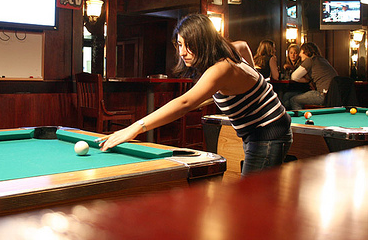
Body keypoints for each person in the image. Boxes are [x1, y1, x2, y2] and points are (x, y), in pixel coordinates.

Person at [99, 14, 292, 176]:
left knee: (252, 201)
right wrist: (256, 78)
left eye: (188, 45)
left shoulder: (221, 68)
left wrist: (134, 128)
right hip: (259, 132)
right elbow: (243, 45)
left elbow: (185, 102)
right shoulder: (231, 51)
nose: (182, 52)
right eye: (179, 45)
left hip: (268, 133)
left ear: (203, 42)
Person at [288, 42, 338, 110]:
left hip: (323, 95)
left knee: (294, 100)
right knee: (289, 96)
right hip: (333, 96)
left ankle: (299, 119)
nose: (299, 54)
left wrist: (307, 80)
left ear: (306, 52)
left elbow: (294, 77)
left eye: (301, 52)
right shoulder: (323, 60)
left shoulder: (310, 60)